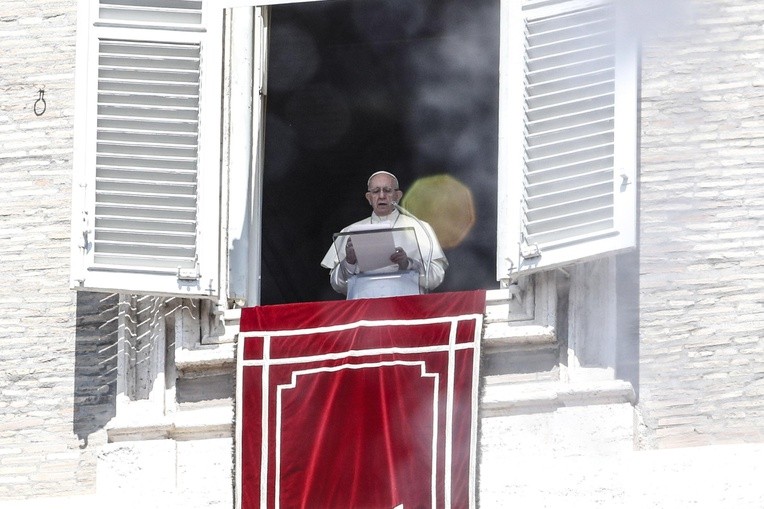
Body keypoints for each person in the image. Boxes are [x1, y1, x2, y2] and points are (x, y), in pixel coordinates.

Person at [321, 171, 448, 297]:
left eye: (387, 190)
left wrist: (408, 264)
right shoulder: (350, 231)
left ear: (397, 196)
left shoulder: (420, 227)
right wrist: (349, 262)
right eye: (376, 191)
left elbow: (435, 278)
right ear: (369, 198)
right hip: (364, 311)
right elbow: (337, 285)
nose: (382, 196)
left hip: (408, 309)